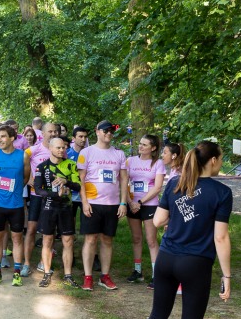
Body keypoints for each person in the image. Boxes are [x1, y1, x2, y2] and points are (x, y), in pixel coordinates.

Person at [119, 141, 232, 319]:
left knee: (156, 317)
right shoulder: (222, 192)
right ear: (213, 160)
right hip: (195, 263)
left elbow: (158, 221)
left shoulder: (174, 184)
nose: (221, 162)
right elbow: (220, 237)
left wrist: (181, 218)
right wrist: (227, 276)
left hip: (167, 259)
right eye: (221, 158)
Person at [78, 121, 129, 291]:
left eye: (111, 131)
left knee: (107, 240)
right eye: (105, 131)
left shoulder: (119, 153)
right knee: (91, 239)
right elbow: (81, 179)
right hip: (92, 203)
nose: (109, 133)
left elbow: (124, 179)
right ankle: (88, 277)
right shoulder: (86, 152)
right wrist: (84, 202)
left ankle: (105, 276)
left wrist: (123, 202)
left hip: (112, 204)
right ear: (97, 131)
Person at [32, 136, 81, 287]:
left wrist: (66, 182)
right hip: (48, 207)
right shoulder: (42, 167)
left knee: (68, 241)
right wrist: (54, 194)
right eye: (58, 147)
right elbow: (38, 189)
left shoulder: (71, 164)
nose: (61, 150)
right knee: (47, 240)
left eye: (64, 147)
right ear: (50, 148)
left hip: (66, 207)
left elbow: (78, 186)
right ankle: (46, 273)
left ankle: (68, 275)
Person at [0, 125, 27, 286]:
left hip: (16, 205)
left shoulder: (23, 156)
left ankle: (17, 273)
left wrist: (15, 191)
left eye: (3, 136)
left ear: (12, 138)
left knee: (17, 238)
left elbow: (25, 177)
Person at [124, 135, 166, 285]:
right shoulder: (130, 161)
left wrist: (140, 202)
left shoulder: (158, 163)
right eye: (140, 144)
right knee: (136, 238)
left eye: (145, 145)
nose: (140, 147)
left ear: (153, 148)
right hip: (132, 204)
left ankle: (156, 274)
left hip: (149, 204)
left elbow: (157, 187)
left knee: (151, 240)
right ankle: (137, 271)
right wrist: (130, 202)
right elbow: (124, 182)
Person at [23, 122, 59, 275]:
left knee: (49, 231)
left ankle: (43, 262)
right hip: (36, 196)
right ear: (42, 134)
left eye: (55, 131)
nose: (53, 134)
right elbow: (21, 164)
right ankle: (26, 263)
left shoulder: (60, 150)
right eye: (50, 131)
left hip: (53, 196)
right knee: (31, 229)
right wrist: (29, 179)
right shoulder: (33, 150)